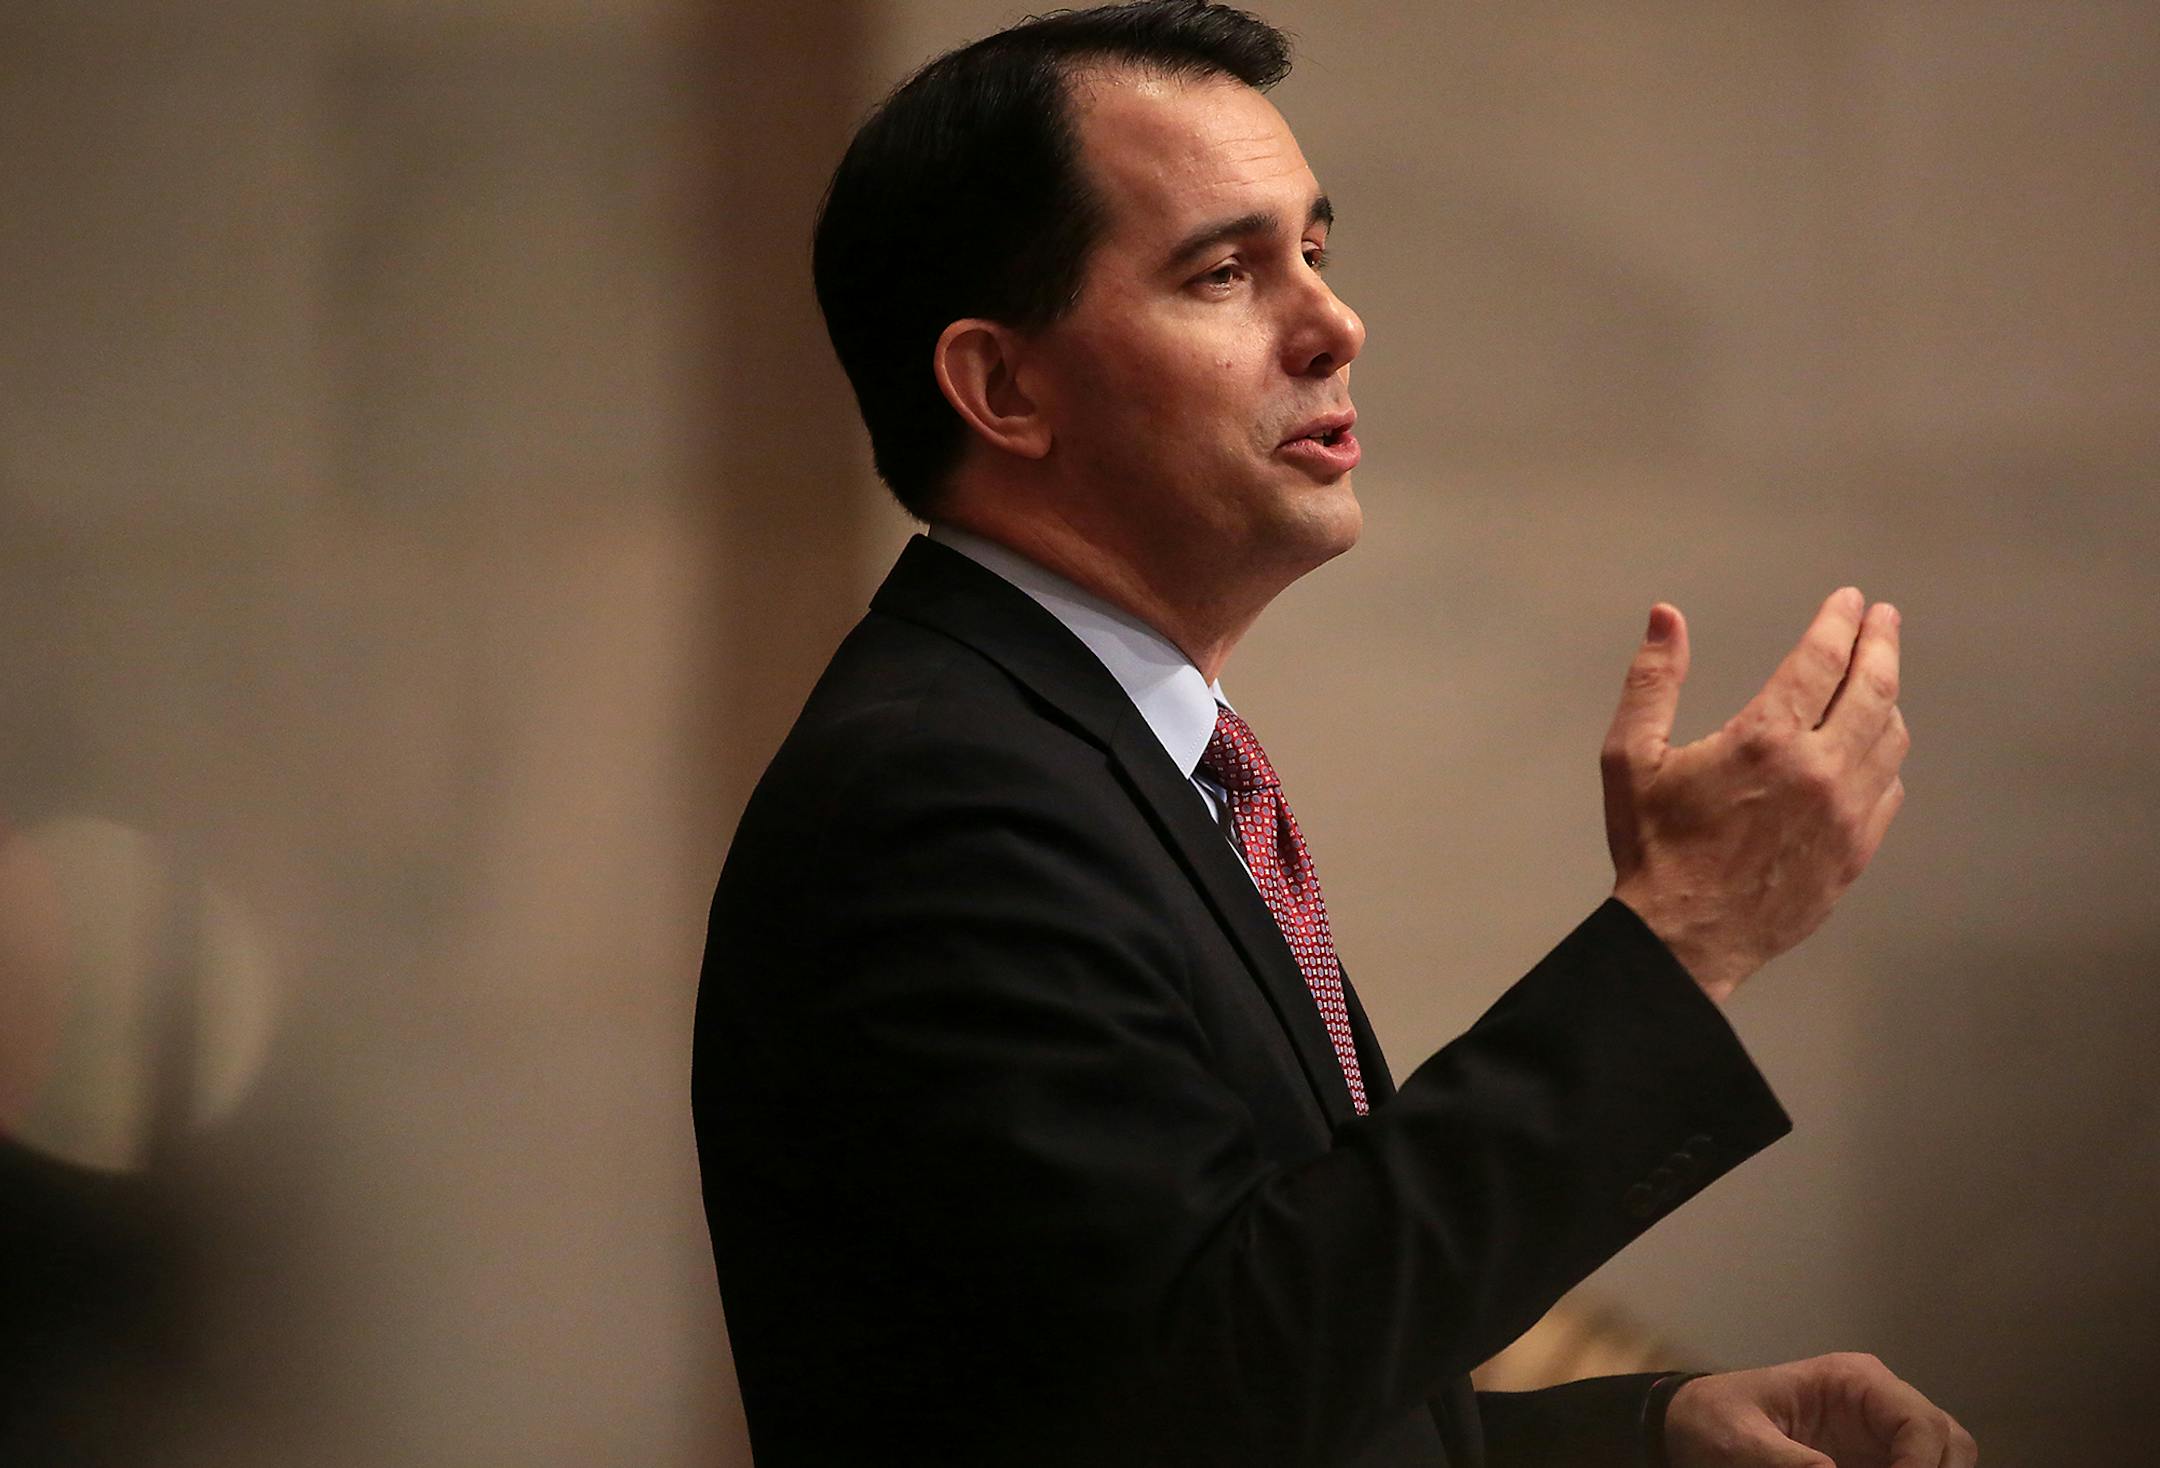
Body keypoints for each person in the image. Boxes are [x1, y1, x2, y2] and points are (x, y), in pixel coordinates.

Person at [691, 4, 1977, 1465]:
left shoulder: (1095, 750)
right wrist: (1683, 934)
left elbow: (1227, 1353)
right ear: (1002, 388)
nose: (1334, 323)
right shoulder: (940, 798)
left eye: (1316, 250)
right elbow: (1200, 1404)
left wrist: (1649, 1435)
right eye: (1225, 272)